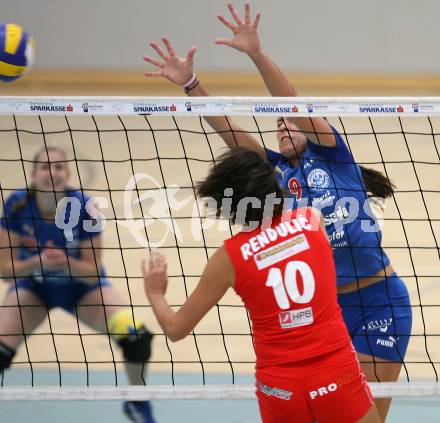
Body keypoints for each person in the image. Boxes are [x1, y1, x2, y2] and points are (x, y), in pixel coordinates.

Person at [143, 3, 412, 420]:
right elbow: (229, 131)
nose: (283, 125)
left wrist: (255, 53)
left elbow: (288, 100)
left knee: (372, 416)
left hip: (379, 300)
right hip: (328, 314)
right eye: (277, 125)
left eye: (290, 122)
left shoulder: (333, 156)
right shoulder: (275, 176)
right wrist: (191, 85)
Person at [143, 147, 381, 423]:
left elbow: (175, 329)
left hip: (279, 385)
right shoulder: (311, 220)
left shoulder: (227, 259)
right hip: (334, 371)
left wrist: (156, 293)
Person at [0, 146, 156, 423]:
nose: (52, 172)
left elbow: (93, 273)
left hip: (82, 289)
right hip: (33, 287)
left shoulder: (85, 208)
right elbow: (6, 272)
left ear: (68, 173)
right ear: (33, 174)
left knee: (137, 338)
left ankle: (137, 400)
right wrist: (39, 262)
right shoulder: (16, 206)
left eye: (59, 167)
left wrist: (64, 262)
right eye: (45, 167)